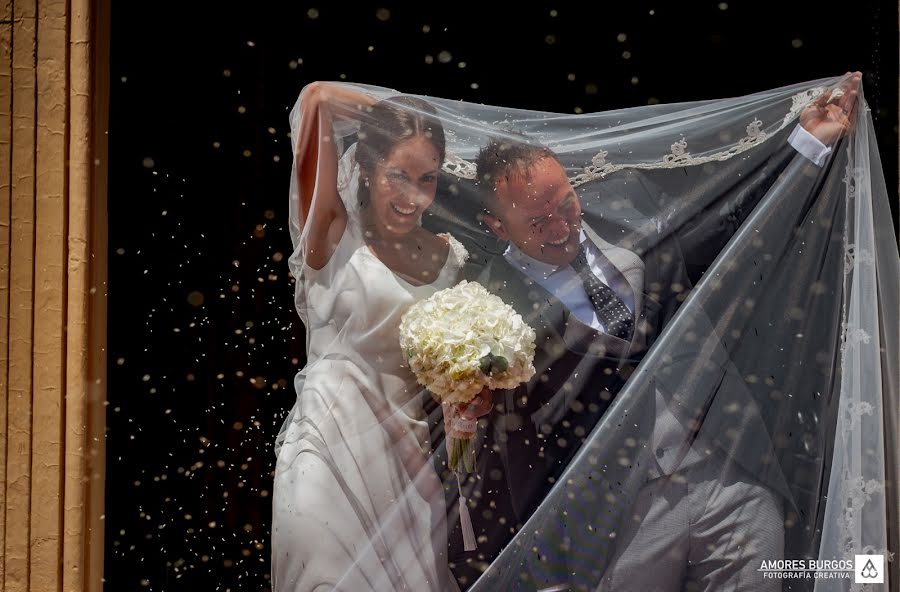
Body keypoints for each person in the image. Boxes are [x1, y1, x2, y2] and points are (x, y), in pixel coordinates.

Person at [450, 73, 862, 591]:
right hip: (615, 514)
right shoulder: (483, 304)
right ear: (495, 225)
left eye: (566, 205)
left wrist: (803, 143)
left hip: (724, 466)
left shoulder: (625, 215)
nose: (562, 228)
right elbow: (491, 450)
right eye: (538, 222)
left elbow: (722, 228)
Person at [271, 81, 490, 592]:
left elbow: (444, 370)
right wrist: (397, 118)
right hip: (328, 443)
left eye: (427, 178)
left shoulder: (448, 258)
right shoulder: (330, 230)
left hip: (408, 455)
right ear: (367, 169)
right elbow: (318, 100)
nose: (413, 195)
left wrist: (465, 397)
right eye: (398, 174)